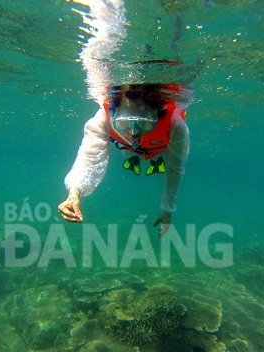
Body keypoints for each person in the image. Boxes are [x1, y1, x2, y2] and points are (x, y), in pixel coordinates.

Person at [58, 83, 190, 237]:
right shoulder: (103, 118)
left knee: (148, 157)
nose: (134, 132)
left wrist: (168, 209)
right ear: (115, 112)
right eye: (124, 122)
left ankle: (149, 162)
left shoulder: (176, 126)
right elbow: (90, 156)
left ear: (157, 114)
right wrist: (74, 193)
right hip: (126, 148)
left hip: (159, 150)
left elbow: (176, 167)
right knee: (129, 153)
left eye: (144, 123)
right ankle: (135, 161)